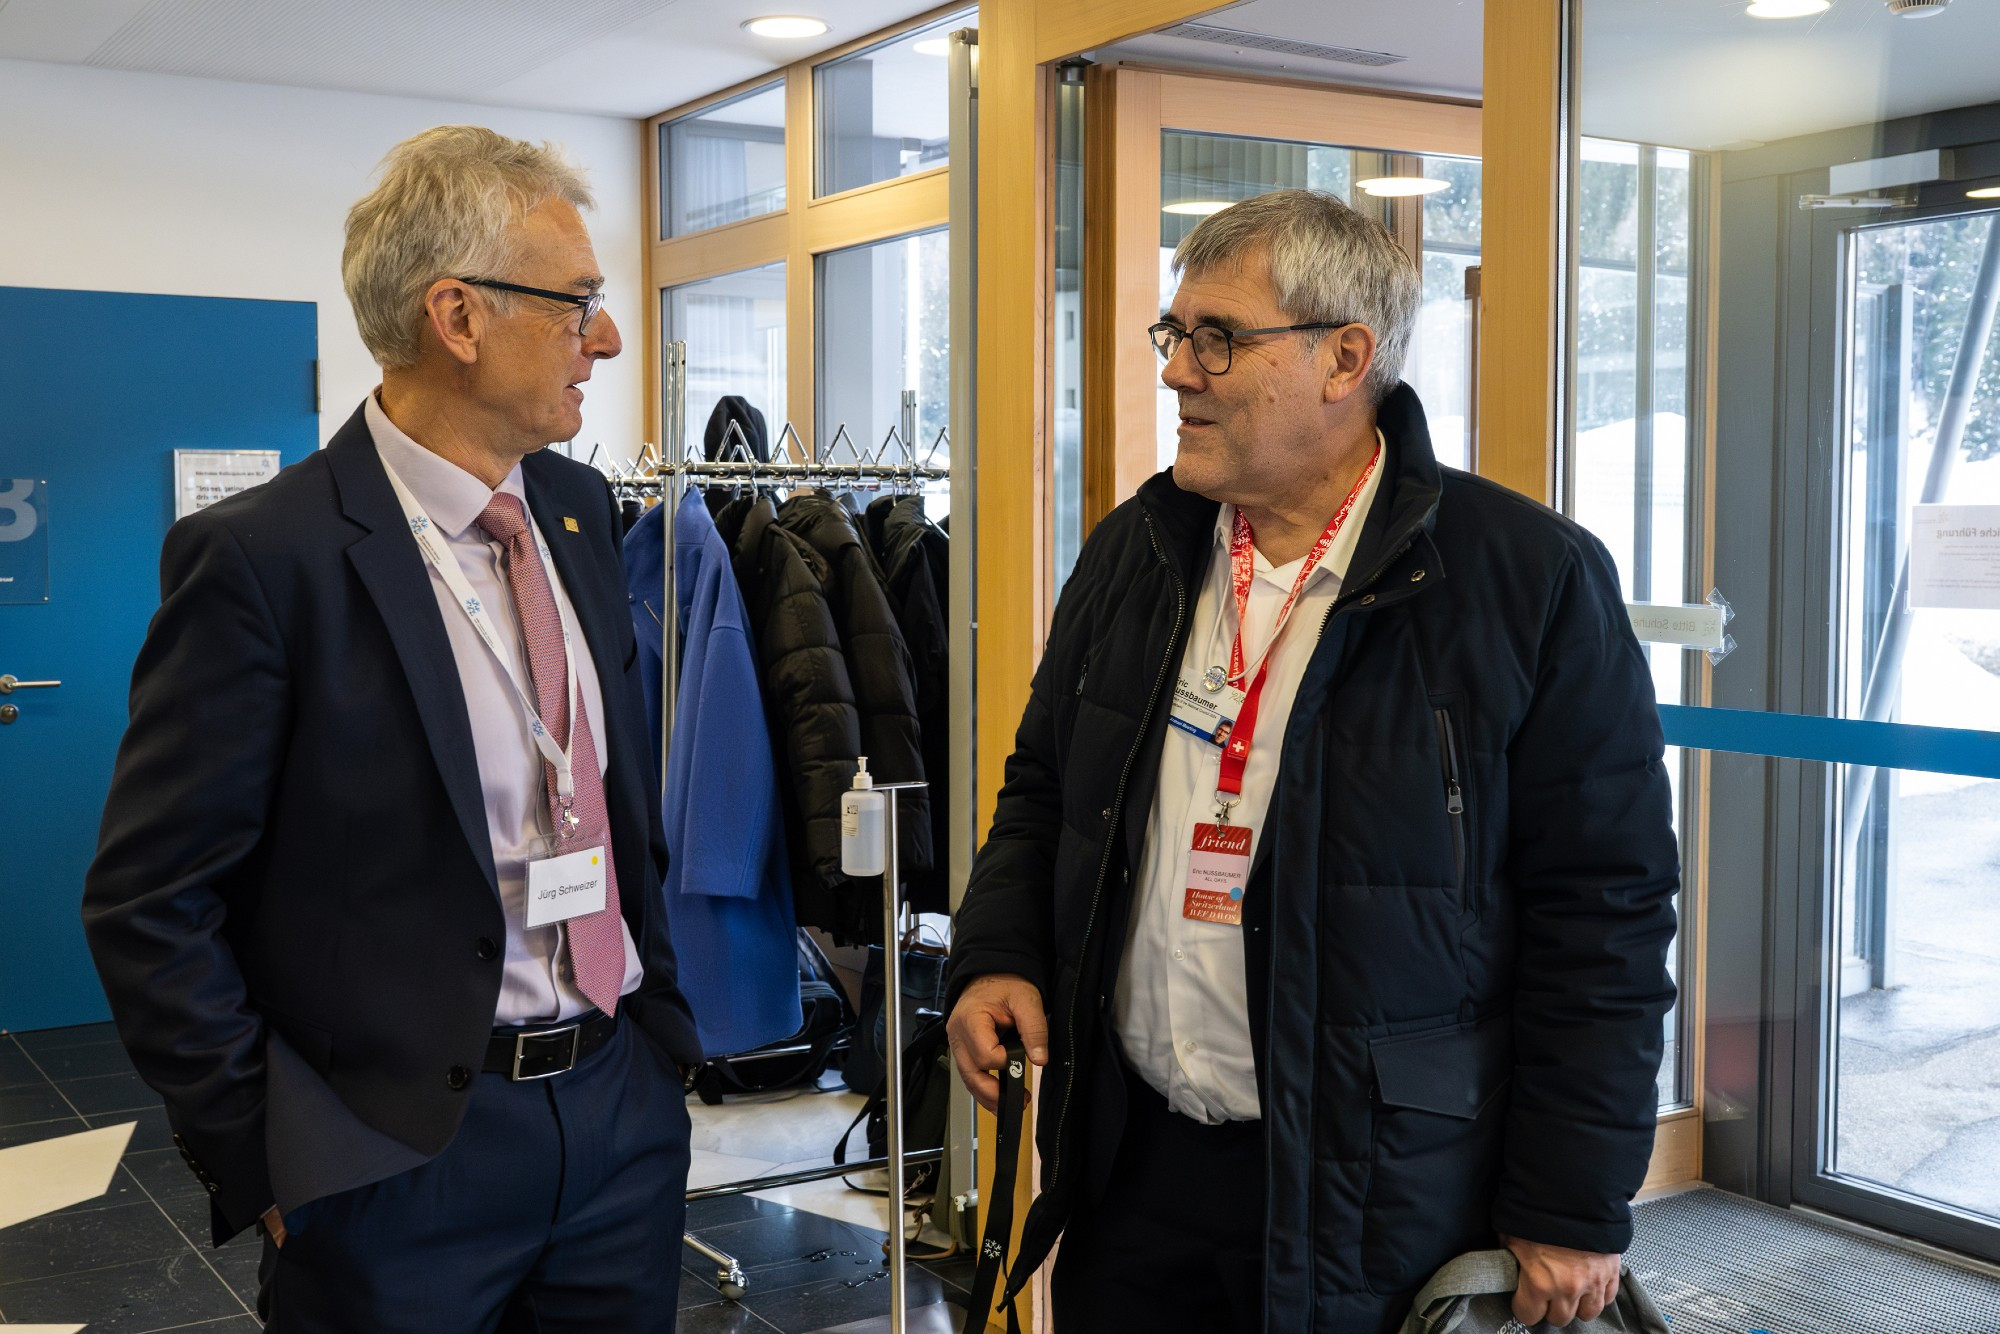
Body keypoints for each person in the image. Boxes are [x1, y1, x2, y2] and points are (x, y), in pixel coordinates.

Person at [944, 189, 1678, 1333]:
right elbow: (1042, 787)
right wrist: (995, 951)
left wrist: (1571, 1197)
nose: (1177, 371)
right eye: (1173, 334)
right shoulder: (1135, 553)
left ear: (1345, 358)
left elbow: (1604, 914)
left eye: (1218, 338)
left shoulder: (1525, 582)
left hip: (1374, 1191)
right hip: (1128, 1169)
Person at [82, 125, 700, 1332]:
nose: (607, 339)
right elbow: (150, 899)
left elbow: (611, 796)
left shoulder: (576, 508)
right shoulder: (267, 558)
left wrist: (659, 1047)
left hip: (616, 1116)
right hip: (396, 1158)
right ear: (456, 316)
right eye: (578, 303)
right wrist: (267, 1146)